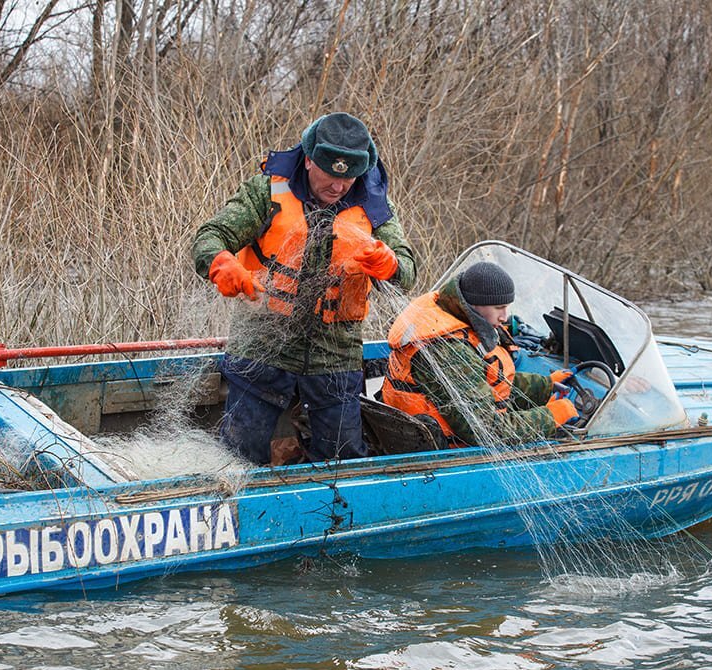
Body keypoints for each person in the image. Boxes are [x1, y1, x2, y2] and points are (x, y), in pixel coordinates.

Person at [192, 112, 416, 465]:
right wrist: (222, 263)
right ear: (310, 159)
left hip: (335, 355)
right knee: (237, 456)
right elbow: (210, 236)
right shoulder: (267, 191)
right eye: (331, 175)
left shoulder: (373, 206)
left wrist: (391, 264)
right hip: (262, 348)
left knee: (344, 462)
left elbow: (407, 269)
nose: (340, 187)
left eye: (349, 178)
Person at [381, 261, 577, 447]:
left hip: (422, 435)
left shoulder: (450, 316)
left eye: (506, 307)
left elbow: (482, 381)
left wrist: (544, 386)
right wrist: (552, 417)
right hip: (447, 455)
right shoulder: (449, 352)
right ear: (473, 305)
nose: (505, 317)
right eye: (499, 308)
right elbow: (488, 431)